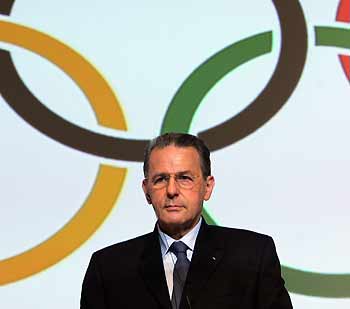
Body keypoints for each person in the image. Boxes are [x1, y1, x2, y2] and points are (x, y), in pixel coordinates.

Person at [80, 133, 293, 309]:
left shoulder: (252, 256)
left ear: (207, 187)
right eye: (161, 179)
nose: (172, 190)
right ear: (146, 191)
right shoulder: (109, 269)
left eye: (184, 178)